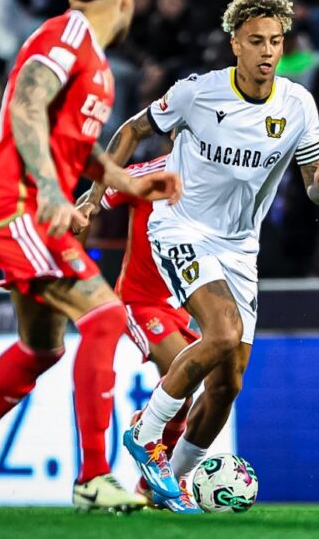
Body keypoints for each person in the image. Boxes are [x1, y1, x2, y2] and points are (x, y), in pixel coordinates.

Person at [0, 0, 181, 515]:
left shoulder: (89, 58)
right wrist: (48, 187)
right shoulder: (68, 36)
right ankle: (93, 478)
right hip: (16, 206)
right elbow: (25, 105)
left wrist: (127, 183)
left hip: (28, 207)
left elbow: (73, 143)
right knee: (107, 315)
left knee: (41, 349)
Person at [76, 0, 319, 513]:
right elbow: (133, 130)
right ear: (235, 45)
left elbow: (311, 183)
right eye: (256, 42)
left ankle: (165, 485)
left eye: (275, 42)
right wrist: (93, 194)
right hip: (181, 228)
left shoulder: (297, 105)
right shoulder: (197, 94)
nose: (268, 52)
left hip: (242, 248)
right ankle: (145, 433)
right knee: (220, 333)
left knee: (228, 383)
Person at [75, 154, 200, 508]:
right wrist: (73, 270)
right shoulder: (150, 173)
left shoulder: (215, 176)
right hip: (139, 301)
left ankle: (150, 485)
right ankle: (143, 430)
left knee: (184, 393)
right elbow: (89, 205)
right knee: (183, 369)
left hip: (181, 303)